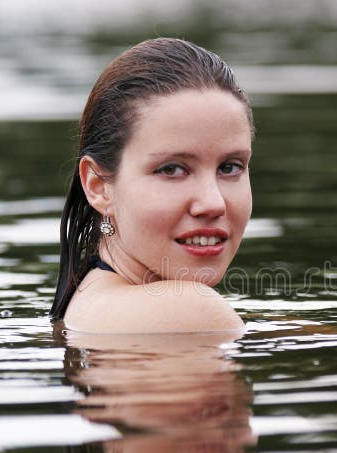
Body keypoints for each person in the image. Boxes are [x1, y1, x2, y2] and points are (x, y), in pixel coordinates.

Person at [50, 38, 253, 333]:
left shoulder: (88, 302)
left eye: (229, 167)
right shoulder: (190, 312)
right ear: (98, 186)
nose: (213, 203)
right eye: (172, 169)